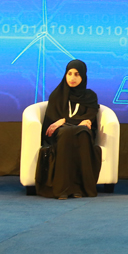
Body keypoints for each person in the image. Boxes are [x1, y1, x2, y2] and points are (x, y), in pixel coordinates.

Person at [37, 59, 102, 199]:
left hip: (82, 132)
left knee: (82, 132)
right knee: (67, 132)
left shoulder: (90, 96)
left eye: (77, 74)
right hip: (60, 134)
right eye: (69, 73)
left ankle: (79, 188)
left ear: (83, 76)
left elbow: (89, 117)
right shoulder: (57, 95)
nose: (72, 78)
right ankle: (62, 189)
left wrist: (65, 120)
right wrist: (73, 122)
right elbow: (52, 122)